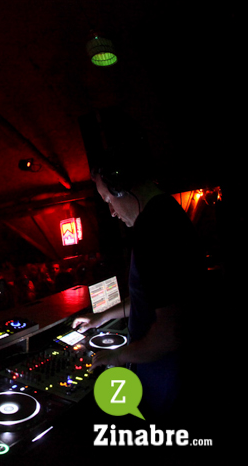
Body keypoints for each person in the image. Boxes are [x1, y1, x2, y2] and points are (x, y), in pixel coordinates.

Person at [72, 152, 206, 424]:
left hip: (165, 375)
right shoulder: (166, 213)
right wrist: (102, 316)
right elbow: (153, 298)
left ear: (122, 187)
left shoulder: (154, 230)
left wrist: (117, 356)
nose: (111, 212)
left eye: (108, 200)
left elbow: (169, 334)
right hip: (169, 370)